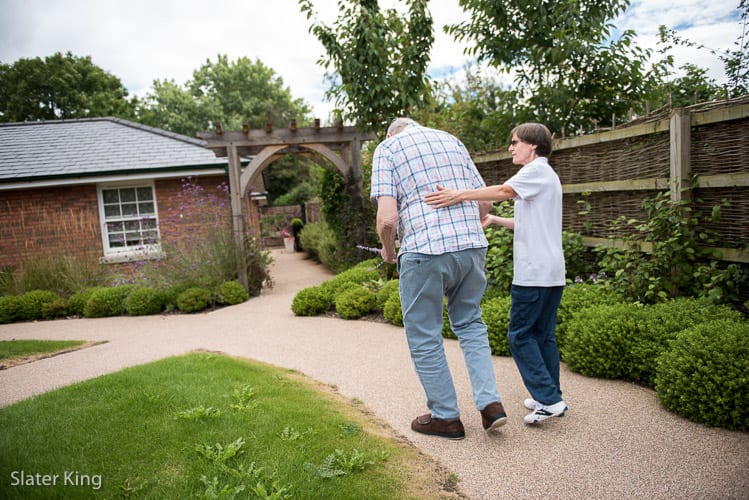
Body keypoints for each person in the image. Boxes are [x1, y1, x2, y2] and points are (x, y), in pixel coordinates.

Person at [370, 117, 507, 439]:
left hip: (425, 251)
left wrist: (388, 250)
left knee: (424, 334)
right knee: (471, 324)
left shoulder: (387, 149)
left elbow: (388, 219)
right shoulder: (451, 140)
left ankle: (446, 417)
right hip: (472, 246)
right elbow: (483, 202)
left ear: (392, 133)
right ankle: (491, 404)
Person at [423, 122, 568, 424]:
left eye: (515, 142)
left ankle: (550, 400)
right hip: (552, 271)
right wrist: (495, 219)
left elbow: (503, 190)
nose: (512, 148)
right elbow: (529, 222)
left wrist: (459, 195)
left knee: (519, 335)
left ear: (533, 145)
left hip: (534, 273)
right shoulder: (548, 176)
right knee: (543, 335)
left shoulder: (535, 171)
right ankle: (548, 394)